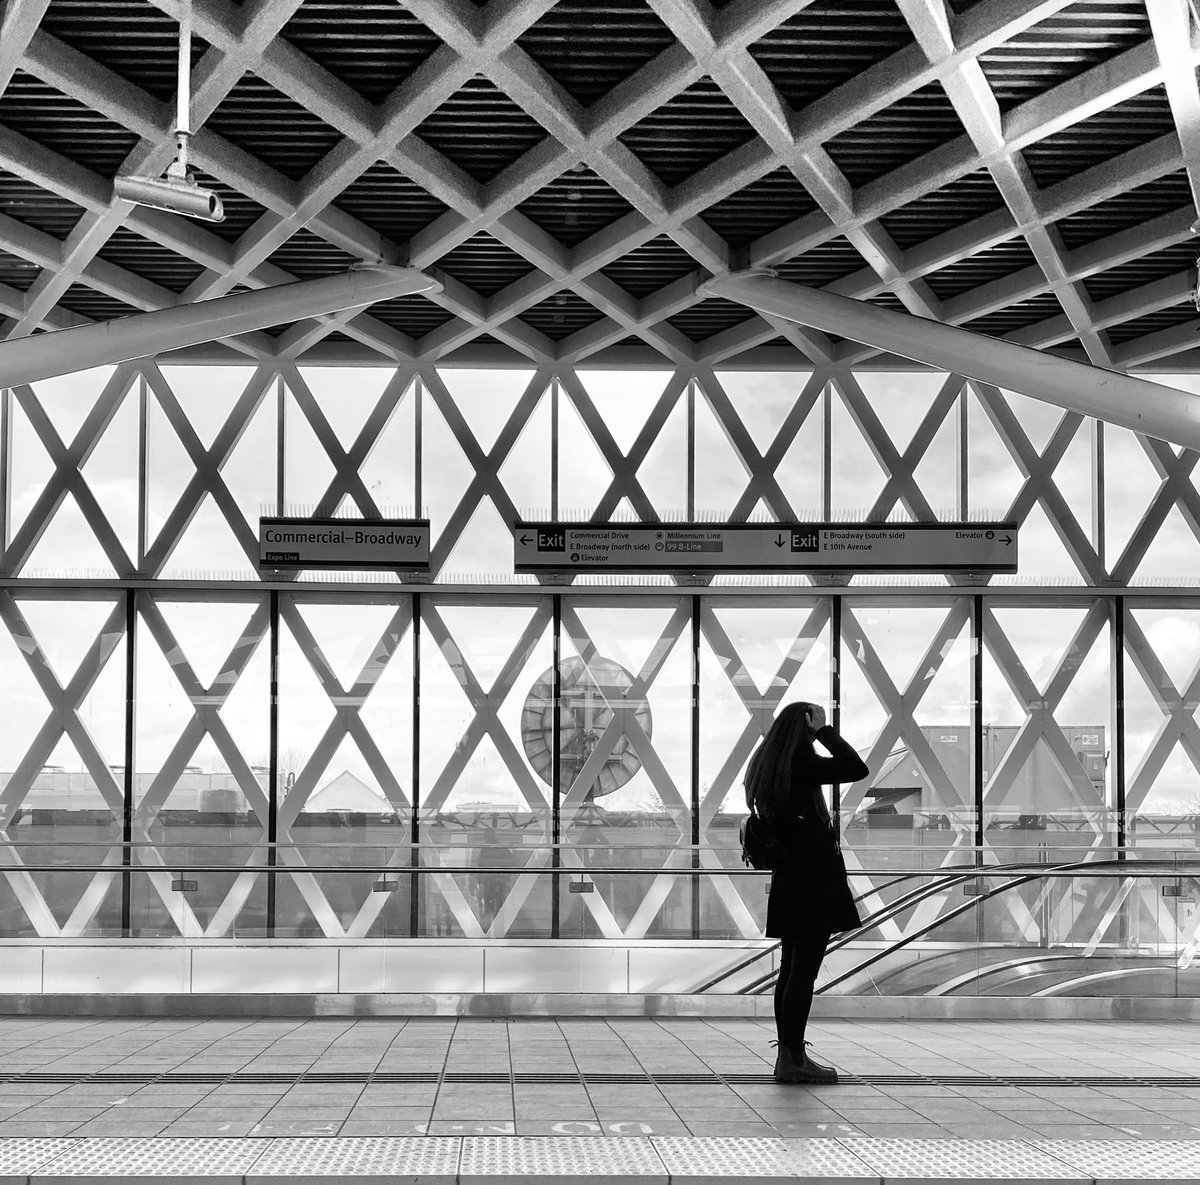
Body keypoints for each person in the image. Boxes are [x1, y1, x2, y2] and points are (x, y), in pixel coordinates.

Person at [744, 701, 868, 1084]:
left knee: (792, 970)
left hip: (791, 879)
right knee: (803, 972)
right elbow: (855, 768)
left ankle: (789, 1056)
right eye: (814, 720)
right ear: (804, 726)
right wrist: (824, 732)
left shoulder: (768, 763)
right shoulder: (801, 761)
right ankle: (793, 1059)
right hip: (812, 880)